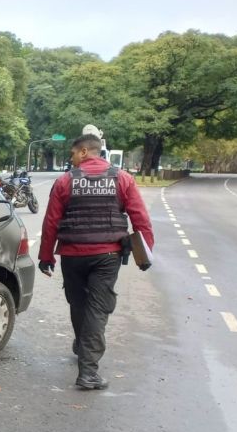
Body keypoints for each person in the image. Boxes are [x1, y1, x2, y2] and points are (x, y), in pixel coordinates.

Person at [38, 133, 154, 390]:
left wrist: (46, 256)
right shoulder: (122, 179)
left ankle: (82, 346)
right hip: (107, 256)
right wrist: (145, 254)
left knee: (79, 303)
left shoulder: (65, 181)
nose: (72, 160)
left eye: (72, 154)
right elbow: (140, 219)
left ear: (83, 152)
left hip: (72, 255)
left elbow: (51, 222)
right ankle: (88, 371)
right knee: (97, 309)